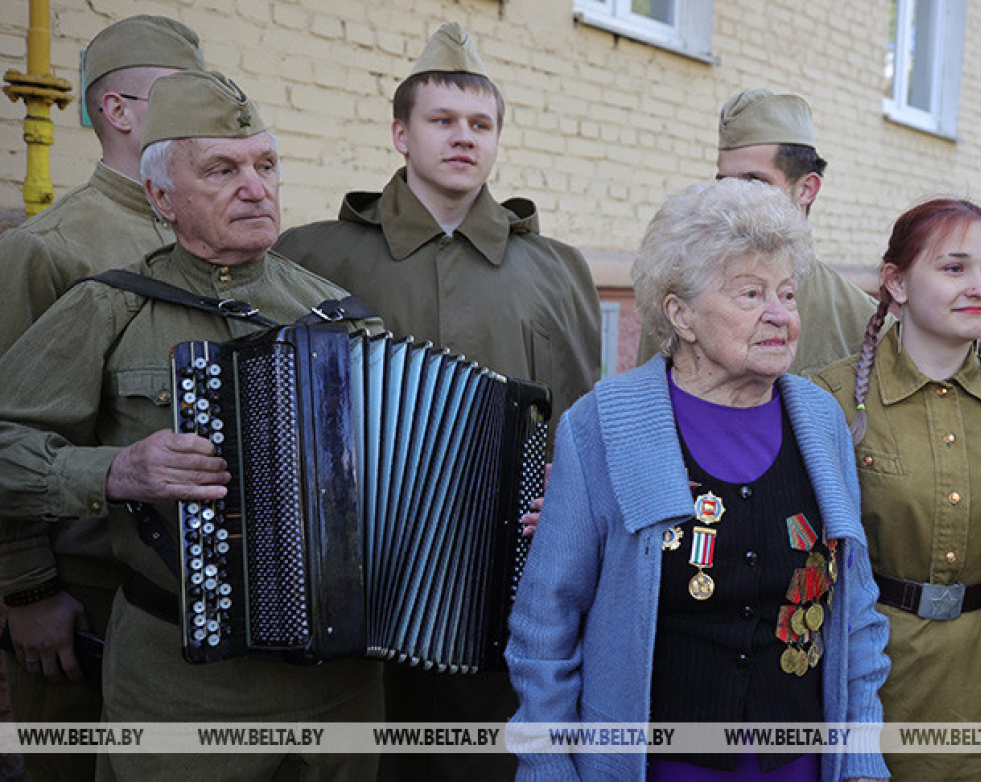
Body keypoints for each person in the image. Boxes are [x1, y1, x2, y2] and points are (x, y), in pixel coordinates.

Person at [0, 70, 384, 781]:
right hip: (183, 686)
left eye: (266, 165)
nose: (255, 186)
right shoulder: (109, 309)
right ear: (159, 196)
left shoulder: (342, 315)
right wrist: (112, 472)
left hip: (343, 688)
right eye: (222, 169)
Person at [273, 22, 601, 781]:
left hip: (503, 576)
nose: (464, 138)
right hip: (347, 576)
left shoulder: (558, 271)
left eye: (480, 125)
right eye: (442, 121)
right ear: (400, 132)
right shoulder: (313, 255)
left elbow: (582, 420)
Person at [507, 178, 890, 782]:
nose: (779, 315)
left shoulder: (821, 423)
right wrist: (549, 762)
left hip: (799, 765)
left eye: (787, 295)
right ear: (679, 313)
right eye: (750, 294)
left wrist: (862, 757)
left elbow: (857, 615)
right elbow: (545, 627)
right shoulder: (605, 425)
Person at [0, 17, 203, 782]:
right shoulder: (51, 247)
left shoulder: (207, 226)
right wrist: (28, 590)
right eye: (184, 97)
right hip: (84, 590)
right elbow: (8, 426)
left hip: (188, 590)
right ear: (118, 112)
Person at [813, 198, 981, 782]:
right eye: (954, 267)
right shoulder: (823, 403)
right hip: (858, 684)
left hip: (976, 700)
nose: (979, 287)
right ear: (897, 282)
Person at [636, 89, 878, 376]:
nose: (734, 196)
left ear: (806, 189)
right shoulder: (683, 294)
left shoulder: (861, 320)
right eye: (724, 182)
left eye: (754, 181)